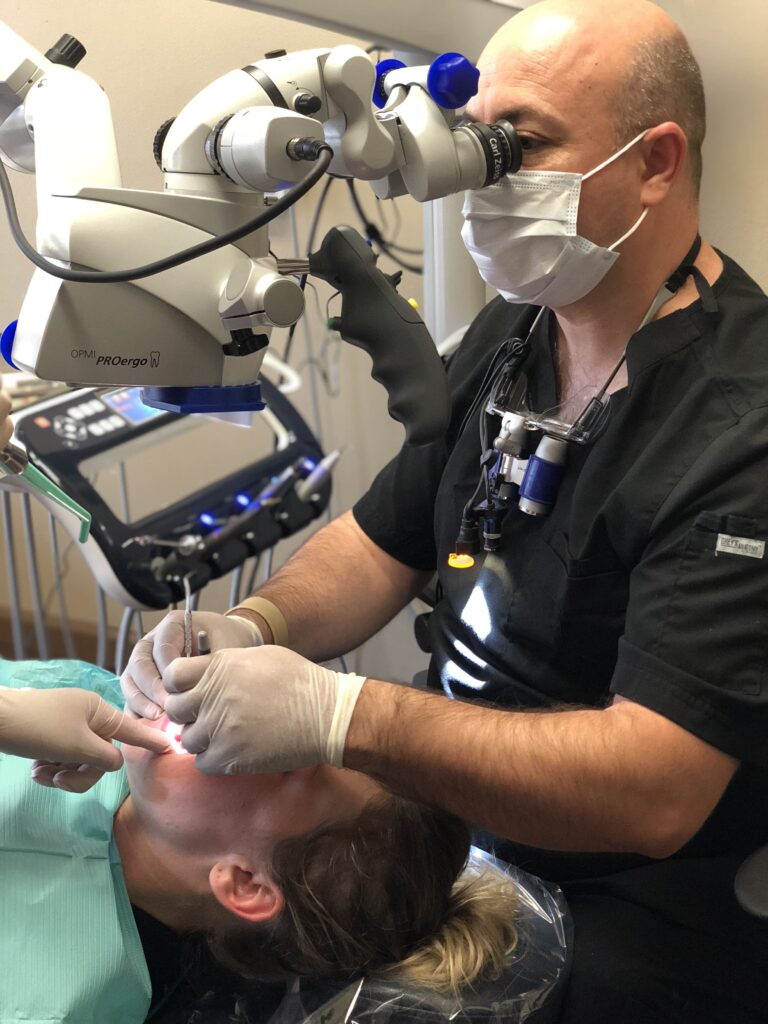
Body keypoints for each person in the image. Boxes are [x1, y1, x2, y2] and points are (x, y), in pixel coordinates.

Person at [123, 0, 768, 1020]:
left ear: (655, 162)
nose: (486, 178)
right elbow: (378, 544)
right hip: (448, 812)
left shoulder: (745, 425)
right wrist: (256, 623)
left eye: (521, 144)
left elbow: (655, 791)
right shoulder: (517, 332)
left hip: (637, 882)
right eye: (479, 144)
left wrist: (344, 716)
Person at [0, 659, 525, 1024]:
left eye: (288, 763)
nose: (245, 718)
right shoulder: (93, 703)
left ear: (247, 884)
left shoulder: (60, 1003)